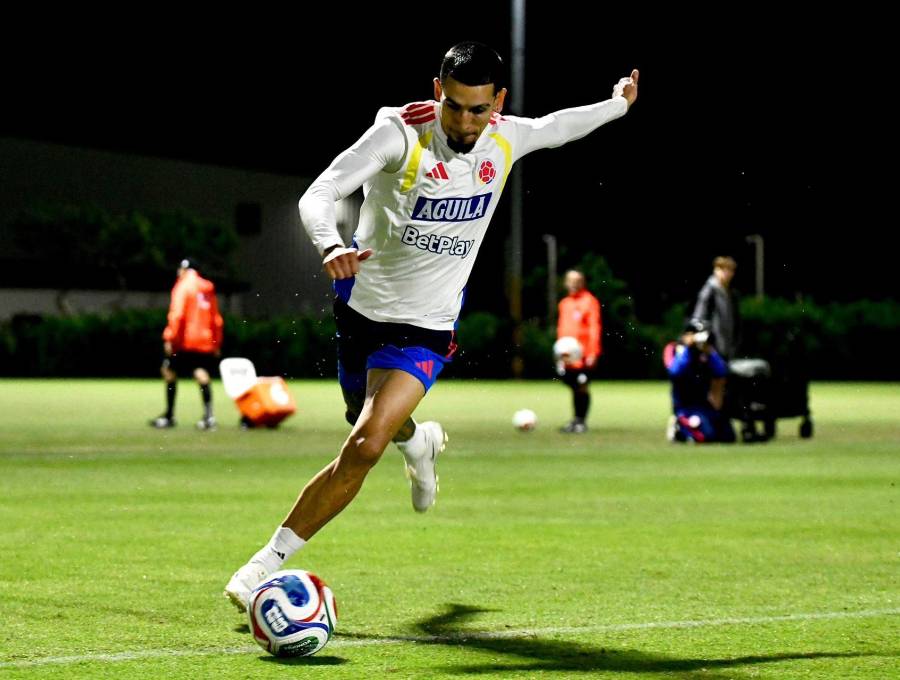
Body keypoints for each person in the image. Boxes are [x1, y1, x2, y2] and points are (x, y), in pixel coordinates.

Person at [224, 41, 639, 610]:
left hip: (427, 327)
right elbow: (319, 194)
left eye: (480, 109)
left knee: (365, 443)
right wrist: (330, 245)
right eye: (456, 107)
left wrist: (616, 105)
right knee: (368, 420)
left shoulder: (505, 136)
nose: (467, 122)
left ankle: (260, 566)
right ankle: (420, 442)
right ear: (438, 91)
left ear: (499, 101)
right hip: (361, 311)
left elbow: (558, 126)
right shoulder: (398, 132)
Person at [149, 258, 223, 431]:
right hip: (205, 339)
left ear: (185, 270)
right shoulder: (207, 288)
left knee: (168, 371)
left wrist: (170, 337)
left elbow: (177, 314)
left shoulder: (183, 286)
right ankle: (209, 416)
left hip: (185, 339)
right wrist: (216, 342)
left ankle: (169, 415)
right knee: (201, 373)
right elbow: (216, 319)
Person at [665, 319, 735, 443]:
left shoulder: (707, 354)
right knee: (706, 436)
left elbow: (721, 371)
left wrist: (710, 352)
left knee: (727, 436)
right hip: (685, 406)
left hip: (705, 405)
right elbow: (674, 372)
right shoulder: (676, 349)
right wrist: (688, 349)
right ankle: (678, 426)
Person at [556, 270, 602, 433]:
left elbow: (594, 327)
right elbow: (561, 329)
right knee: (574, 386)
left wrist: (592, 352)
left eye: (577, 281)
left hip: (583, 355)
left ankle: (580, 421)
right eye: (570, 280)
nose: (573, 284)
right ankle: (576, 420)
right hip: (567, 356)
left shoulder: (589, 301)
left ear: (582, 283)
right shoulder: (564, 303)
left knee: (582, 385)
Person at [692, 256, 740, 361]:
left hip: (726, 344)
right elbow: (698, 317)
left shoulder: (731, 293)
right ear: (716, 270)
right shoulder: (709, 291)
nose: (729, 274)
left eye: (731, 270)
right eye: (725, 270)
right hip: (712, 345)